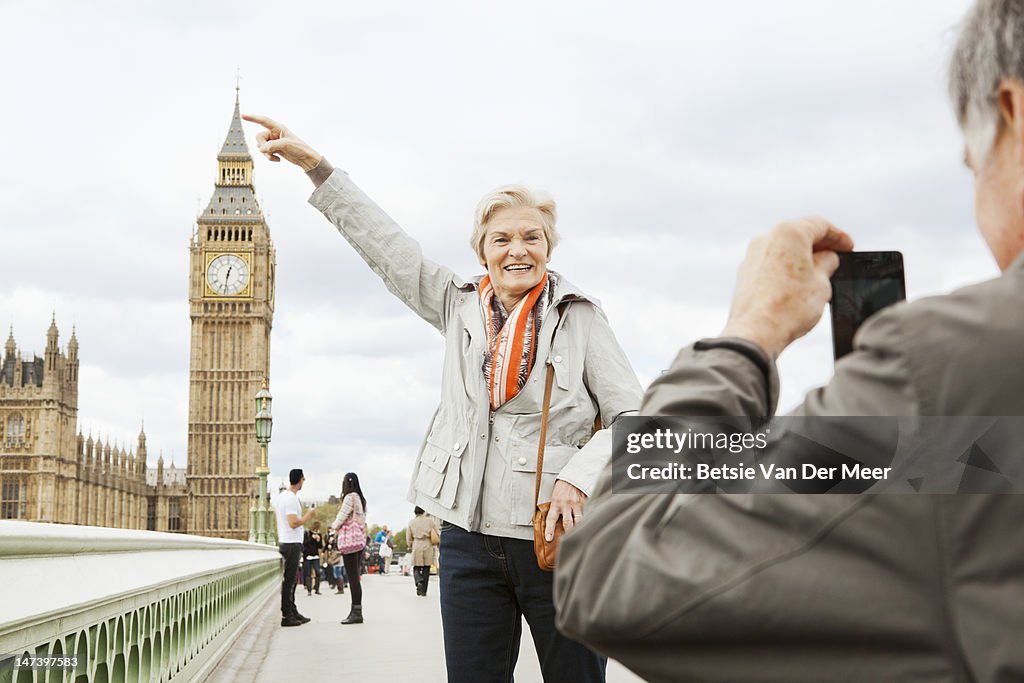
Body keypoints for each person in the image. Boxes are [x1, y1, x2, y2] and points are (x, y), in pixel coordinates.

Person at [554, 2, 1024, 680]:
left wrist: (746, 337)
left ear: (1011, 111)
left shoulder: (953, 375)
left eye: (972, 164)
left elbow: (612, 568)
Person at [242, 112, 642, 683]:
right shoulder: (457, 306)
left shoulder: (579, 319)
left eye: (532, 237)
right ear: (483, 252)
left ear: (549, 247)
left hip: (555, 538)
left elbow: (637, 414)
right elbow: (388, 248)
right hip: (467, 541)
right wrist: (318, 168)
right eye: (502, 239)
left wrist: (579, 476)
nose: (518, 250)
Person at [274, 468, 315, 627]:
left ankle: (292, 610)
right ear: (300, 480)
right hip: (291, 543)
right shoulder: (290, 499)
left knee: (291, 580)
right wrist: (308, 516)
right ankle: (287, 615)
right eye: (303, 479)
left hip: (288, 541)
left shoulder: (284, 497)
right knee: (290, 581)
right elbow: (293, 523)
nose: (304, 482)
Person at [330, 472, 367, 625]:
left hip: (349, 542)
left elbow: (342, 516)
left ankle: (356, 612)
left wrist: (333, 528)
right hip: (358, 540)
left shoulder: (349, 497)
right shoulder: (360, 498)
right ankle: (356, 610)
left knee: (352, 578)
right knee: (355, 577)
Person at [407, 506, 440, 596]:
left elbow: (409, 537)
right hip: (427, 544)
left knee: (416, 566)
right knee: (426, 568)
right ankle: (424, 590)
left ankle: (418, 581)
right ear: (423, 511)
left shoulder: (411, 522)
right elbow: (436, 532)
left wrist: (410, 545)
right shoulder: (430, 521)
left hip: (417, 544)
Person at [302, 521, 324, 595]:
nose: (316, 531)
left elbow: (320, 546)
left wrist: (318, 540)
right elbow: (305, 543)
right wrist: (312, 538)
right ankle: (309, 590)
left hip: (315, 556)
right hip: (308, 556)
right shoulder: (307, 534)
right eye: (315, 529)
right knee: (308, 573)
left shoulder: (319, 535)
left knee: (318, 572)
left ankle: (317, 589)